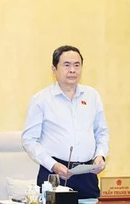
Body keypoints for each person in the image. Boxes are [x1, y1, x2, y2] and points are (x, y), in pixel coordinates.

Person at [21, 45, 110, 199]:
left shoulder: (92, 96)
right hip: (54, 173)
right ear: (54, 69)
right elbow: (29, 140)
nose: (72, 70)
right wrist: (53, 165)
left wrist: (100, 155)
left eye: (77, 65)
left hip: (87, 173)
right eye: (66, 65)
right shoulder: (41, 99)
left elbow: (101, 132)